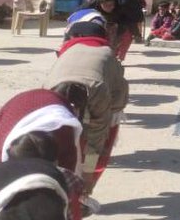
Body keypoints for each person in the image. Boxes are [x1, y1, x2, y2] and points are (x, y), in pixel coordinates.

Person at [44, 39, 129, 208]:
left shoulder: (99, 90)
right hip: (72, 59)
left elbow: (97, 135)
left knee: (105, 131)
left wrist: (89, 173)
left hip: (107, 68)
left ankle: (85, 192)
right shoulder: (48, 93)